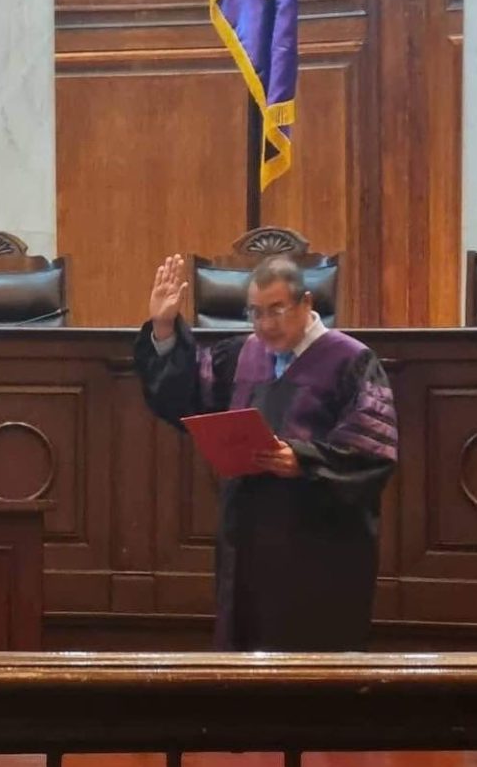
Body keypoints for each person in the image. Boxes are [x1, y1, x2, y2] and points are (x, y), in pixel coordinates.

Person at [135, 252, 398, 650]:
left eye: (276, 310)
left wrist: (304, 460)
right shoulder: (242, 354)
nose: (265, 325)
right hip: (248, 538)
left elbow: (372, 452)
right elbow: (183, 396)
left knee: (314, 659)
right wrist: (164, 326)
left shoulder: (351, 360)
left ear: (306, 303)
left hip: (320, 546)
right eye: (255, 313)